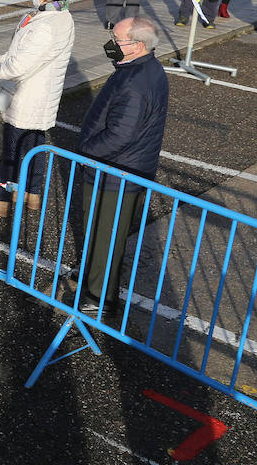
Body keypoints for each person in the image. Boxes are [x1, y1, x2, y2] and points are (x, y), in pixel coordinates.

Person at [68, 16, 168, 314]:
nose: (111, 44)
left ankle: (100, 298)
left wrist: (85, 149)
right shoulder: (141, 69)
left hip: (117, 172)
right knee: (99, 231)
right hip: (118, 169)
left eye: (117, 39)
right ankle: (93, 278)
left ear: (137, 46)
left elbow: (121, 134)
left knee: (106, 236)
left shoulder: (137, 82)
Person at [0, 0, 78, 216]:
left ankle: (1, 197)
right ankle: (31, 193)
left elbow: (20, 64)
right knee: (35, 144)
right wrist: (3, 58)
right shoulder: (60, 16)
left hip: (28, 95)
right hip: (41, 94)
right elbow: (20, 50)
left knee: (12, 150)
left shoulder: (45, 24)